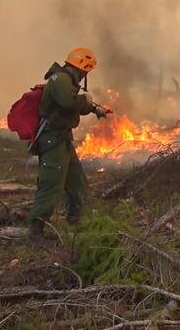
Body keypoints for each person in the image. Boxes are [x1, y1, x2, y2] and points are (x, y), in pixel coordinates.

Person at [28, 47, 111, 241]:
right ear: (81, 68)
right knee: (51, 184)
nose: (84, 76)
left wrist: (96, 109)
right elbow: (68, 102)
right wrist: (86, 100)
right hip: (52, 139)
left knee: (77, 183)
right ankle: (35, 232)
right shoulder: (61, 79)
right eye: (86, 71)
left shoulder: (66, 80)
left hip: (63, 139)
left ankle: (74, 225)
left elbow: (75, 104)